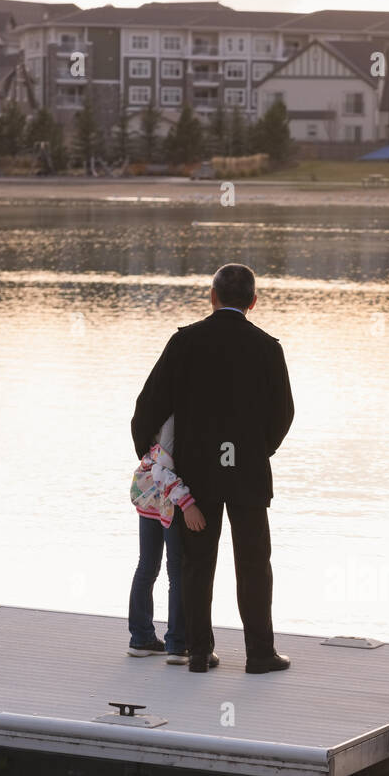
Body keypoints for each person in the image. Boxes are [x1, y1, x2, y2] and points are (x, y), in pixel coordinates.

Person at [131, 263, 294, 674]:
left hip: (196, 472)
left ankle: (198, 654)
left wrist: (155, 460)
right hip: (247, 472)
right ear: (253, 302)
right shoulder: (267, 346)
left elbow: (147, 407)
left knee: (196, 564)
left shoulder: (185, 342)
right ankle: (259, 655)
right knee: (253, 563)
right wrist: (259, 452)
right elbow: (284, 414)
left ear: (212, 296)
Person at [127, 414, 206, 663]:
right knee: (177, 572)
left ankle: (141, 638)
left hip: (148, 499)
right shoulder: (173, 419)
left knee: (147, 567)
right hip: (166, 503)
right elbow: (163, 468)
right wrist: (188, 503)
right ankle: (176, 643)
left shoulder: (154, 410)